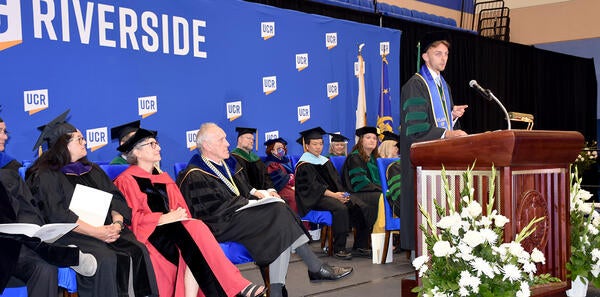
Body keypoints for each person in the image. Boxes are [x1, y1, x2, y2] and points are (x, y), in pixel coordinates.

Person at [176, 122, 352, 297]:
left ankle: (280, 288)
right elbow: (210, 210)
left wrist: (263, 194)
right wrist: (249, 203)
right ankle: (311, 269)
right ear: (207, 145)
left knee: (279, 216)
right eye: (221, 139)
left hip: (239, 218)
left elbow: (244, 191)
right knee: (278, 212)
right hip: (219, 225)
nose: (228, 143)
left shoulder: (226, 165)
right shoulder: (195, 174)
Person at [113, 128, 266, 297]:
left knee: (194, 233)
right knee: (195, 232)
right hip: (151, 234)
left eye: (157, 143)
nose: (158, 148)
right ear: (137, 152)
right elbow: (132, 219)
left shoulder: (164, 178)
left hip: (176, 230)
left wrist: (175, 217)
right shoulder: (126, 180)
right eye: (152, 144)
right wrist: (162, 218)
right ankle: (237, 285)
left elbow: (182, 209)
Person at [25, 110, 159, 297]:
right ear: (63, 145)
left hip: (107, 230)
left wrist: (117, 224)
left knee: (138, 250)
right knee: (106, 259)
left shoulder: (92, 170)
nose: (85, 142)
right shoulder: (45, 175)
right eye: (79, 139)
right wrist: (96, 232)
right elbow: (58, 214)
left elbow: (115, 198)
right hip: (72, 234)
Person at [0, 117, 97, 296]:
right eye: (1, 131)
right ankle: (66, 255)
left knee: (45, 268)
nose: (5, 137)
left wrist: (32, 228)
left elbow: (26, 207)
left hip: (12, 244)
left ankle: (59, 253)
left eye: (5, 131)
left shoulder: (10, 170)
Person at [399, 32, 468, 252]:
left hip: (439, 161)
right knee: (424, 210)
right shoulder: (415, 85)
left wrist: (452, 115)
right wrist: (447, 134)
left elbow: (437, 119)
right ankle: (421, 254)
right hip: (421, 162)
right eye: (438, 53)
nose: (443, 58)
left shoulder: (442, 85)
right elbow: (416, 128)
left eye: (446, 54)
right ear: (426, 57)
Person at [294, 127, 353, 260]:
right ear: (307, 146)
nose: (318, 147)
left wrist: (342, 194)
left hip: (329, 196)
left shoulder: (324, 161)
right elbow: (314, 188)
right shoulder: (304, 164)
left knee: (353, 203)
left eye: (321, 143)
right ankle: (339, 248)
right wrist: (336, 196)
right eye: (314, 144)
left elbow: (336, 181)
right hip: (312, 200)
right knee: (340, 208)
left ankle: (360, 245)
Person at [340, 126, 382, 257]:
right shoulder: (355, 158)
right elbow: (360, 183)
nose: (372, 140)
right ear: (361, 140)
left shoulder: (375, 159)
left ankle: (386, 239)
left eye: (374, 138)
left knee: (383, 196)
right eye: (368, 138)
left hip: (368, 192)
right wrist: (382, 189)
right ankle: (366, 243)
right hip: (354, 193)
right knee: (380, 197)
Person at [230, 127, 279, 198]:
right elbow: (238, 180)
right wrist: (253, 191)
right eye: (248, 138)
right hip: (244, 196)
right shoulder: (232, 158)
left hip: (262, 194)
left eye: (253, 139)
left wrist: (271, 190)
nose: (252, 141)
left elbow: (265, 176)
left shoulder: (256, 159)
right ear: (240, 140)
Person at [263, 137, 297, 212]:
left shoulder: (285, 161)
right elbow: (278, 179)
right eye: (279, 148)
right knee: (294, 197)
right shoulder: (271, 163)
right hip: (280, 188)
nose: (282, 150)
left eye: (283, 148)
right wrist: (292, 178)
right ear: (272, 151)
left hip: (289, 186)